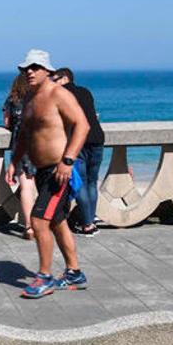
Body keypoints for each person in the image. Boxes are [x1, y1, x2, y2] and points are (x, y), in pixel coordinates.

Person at [8, 50, 90, 299]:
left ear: (47, 71)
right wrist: (14, 161)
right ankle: (74, 272)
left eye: (35, 67)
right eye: (25, 69)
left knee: (39, 220)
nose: (29, 72)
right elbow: (25, 134)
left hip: (58, 172)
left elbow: (82, 125)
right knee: (57, 221)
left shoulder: (58, 94)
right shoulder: (31, 98)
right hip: (41, 170)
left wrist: (67, 161)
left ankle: (44, 277)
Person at [51, 67, 105, 237]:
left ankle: (87, 224)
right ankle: (90, 219)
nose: (53, 83)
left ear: (65, 78)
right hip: (97, 138)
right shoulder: (85, 92)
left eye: (55, 79)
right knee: (92, 182)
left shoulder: (61, 95)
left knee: (81, 182)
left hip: (78, 141)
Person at [2, 73, 36, 240]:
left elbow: (7, 122)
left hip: (21, 145)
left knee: (26, 186)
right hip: (41, 143)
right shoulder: (38, 97)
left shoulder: (12, 100)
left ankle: (29, 226)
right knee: (43, 185)